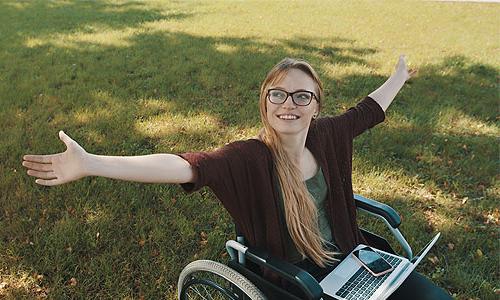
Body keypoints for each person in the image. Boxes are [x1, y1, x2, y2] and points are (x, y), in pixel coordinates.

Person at [22, 55, 451, 299]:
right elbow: (184, 165)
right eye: (278, 94)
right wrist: (91, 162)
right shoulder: (248, 157)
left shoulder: (329, 135)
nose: (290, 104)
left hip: (355, 262)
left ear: (316, 105)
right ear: (264, 103)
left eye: (303, 95)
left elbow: (367, 111)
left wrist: (398, 76)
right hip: (296, 281)